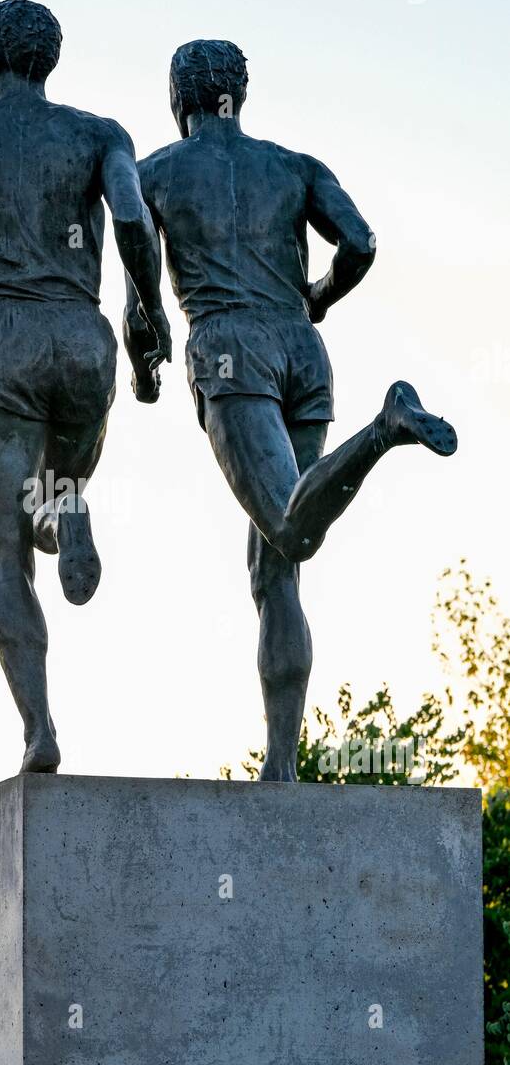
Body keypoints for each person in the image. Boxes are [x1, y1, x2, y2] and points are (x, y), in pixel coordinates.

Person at [126, 38, 456, 781]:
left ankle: (385, 428)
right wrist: (318, 299)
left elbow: (142, 284)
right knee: (275, 572)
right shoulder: (294, 166)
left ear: (179, 100)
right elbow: (362, 243)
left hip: (228, 348)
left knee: (289, 530)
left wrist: (144, 351)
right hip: (303, 350)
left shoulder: (154, 174)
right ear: (236, 96)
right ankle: (282, 766)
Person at [0, 0, 170, 773]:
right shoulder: (100, 135)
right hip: (84, 342)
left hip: (7, 340)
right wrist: (148, 314)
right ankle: (70, 512)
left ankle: (39, 730)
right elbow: (132, 220)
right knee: (50, 495)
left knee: (2, 554)